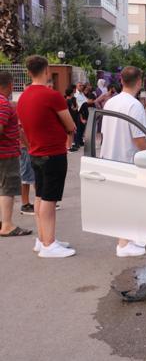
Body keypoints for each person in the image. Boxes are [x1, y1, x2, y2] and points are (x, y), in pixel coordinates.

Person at [17, 55, 76, 258]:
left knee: (40, 196)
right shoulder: (52, 96)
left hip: (35, 152)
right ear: (47, 71)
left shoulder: (23, 97)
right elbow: (70, 124)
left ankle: (43, 239)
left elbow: (22, 127)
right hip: (53, 152)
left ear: (28, 72)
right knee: (50, 200)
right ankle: (49, 244)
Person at [101, 66, 146, 257]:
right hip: (128, 159)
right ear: (139, 82)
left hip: (110, 157)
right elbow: (138, 138)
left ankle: (128, 239)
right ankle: (124, 244)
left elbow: (104, 132)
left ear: (121, 81)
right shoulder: (134, 105)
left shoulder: (110, 102)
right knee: (130, 202)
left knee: (122, 202)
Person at [0, 72, 31, 237]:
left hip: (6, 152)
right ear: (10, 85)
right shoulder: (3, 104)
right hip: (6, 154)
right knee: (8, 189)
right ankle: (7, 225)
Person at [64, 86, 78, 152]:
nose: (73, 93)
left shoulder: (70, 100)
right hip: (70, 118)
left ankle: (71, 146)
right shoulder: (68, 100)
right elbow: (73, 108)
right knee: (69, 133)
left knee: (72, 132)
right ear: (70, 93)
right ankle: (68, 147)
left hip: (72, 117)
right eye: (72, 92)